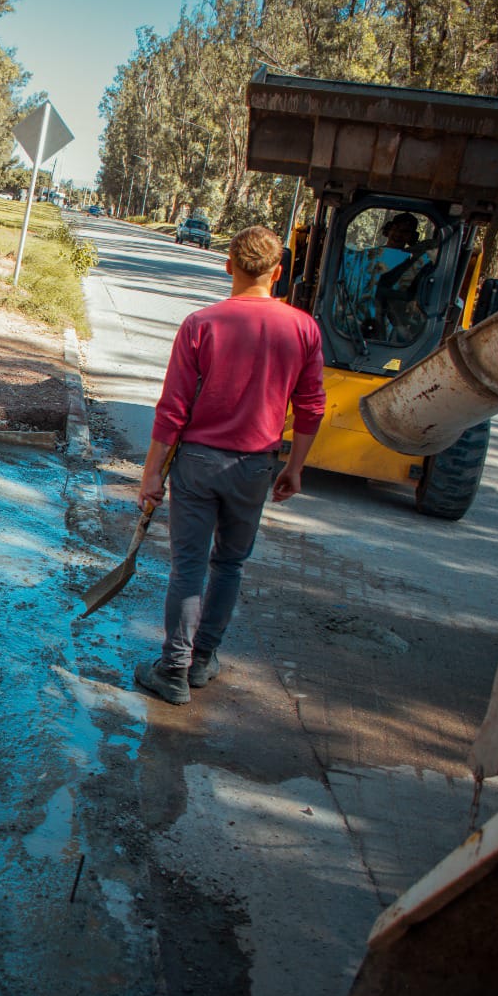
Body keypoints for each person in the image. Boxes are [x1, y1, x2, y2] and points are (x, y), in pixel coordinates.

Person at [133, 225, 327, 705]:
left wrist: (152, 471)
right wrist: (295, 467)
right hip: (256, 467)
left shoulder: (202, 324)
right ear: (278, 273)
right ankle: (201, 662)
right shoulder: (303, 328)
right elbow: (312, 406)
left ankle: (173, 671)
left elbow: (173, 408)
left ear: (228, 266)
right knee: (229, 565)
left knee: (189, 568)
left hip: (198, 464)